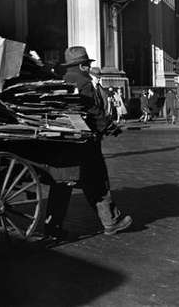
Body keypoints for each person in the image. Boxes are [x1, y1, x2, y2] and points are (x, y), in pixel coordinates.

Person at [45, 46, 133, 238]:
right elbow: (93, 110)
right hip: (85, 144)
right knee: (97, 182)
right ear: (83, 65)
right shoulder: (84, 82)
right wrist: (109, 127)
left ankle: (52, 227)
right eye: (87, 63)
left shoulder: (63, 80)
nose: (88, 66)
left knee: (62, 184)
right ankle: (111, 222)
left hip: (63, 142)